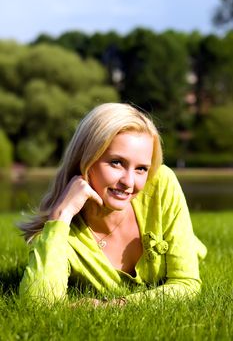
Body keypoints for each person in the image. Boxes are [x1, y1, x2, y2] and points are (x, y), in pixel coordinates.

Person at [19, 103, 207, 306]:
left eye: (141, 168)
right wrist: (61, 215)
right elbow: (37, 303)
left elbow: (186, 283)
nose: (129, 182)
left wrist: (112, 305)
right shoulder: (58, 233)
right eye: (117, 162)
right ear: (85, 159)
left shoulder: (161, 183)